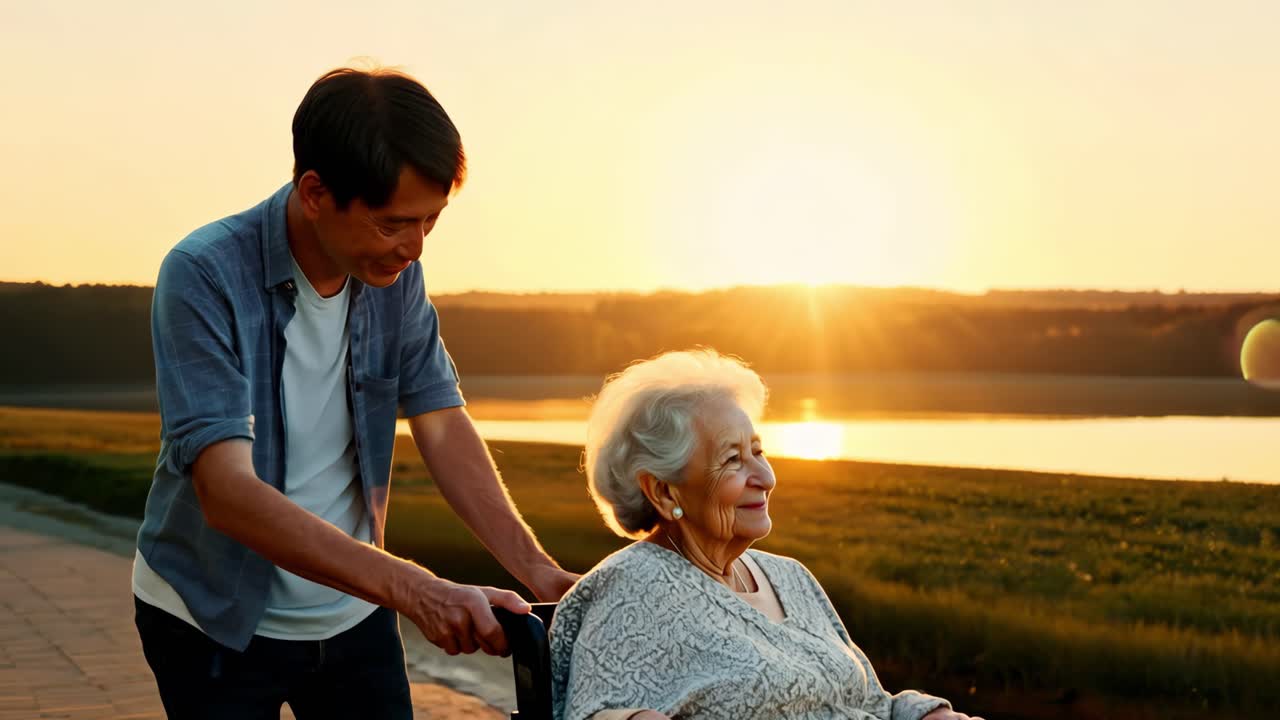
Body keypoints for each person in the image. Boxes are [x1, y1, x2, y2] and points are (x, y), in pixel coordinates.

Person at [132, 67, 578, 719]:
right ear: (315, 192)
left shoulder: (398, 276)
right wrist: (416, 588)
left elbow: (442, 422)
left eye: (431, 220)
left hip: (354, 617)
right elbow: (225, 491)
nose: (415, 246)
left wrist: (536, 570)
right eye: (395, 222)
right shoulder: (202, 274)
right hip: (212, 620)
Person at [550, 350, 982, 720]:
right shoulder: (633, 587)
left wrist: (929, 713)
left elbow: (869, 700)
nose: (765, 477)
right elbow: (595, 710)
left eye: (758, 451)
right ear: (664, 491)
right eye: (732, 459)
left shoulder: (791, 577)